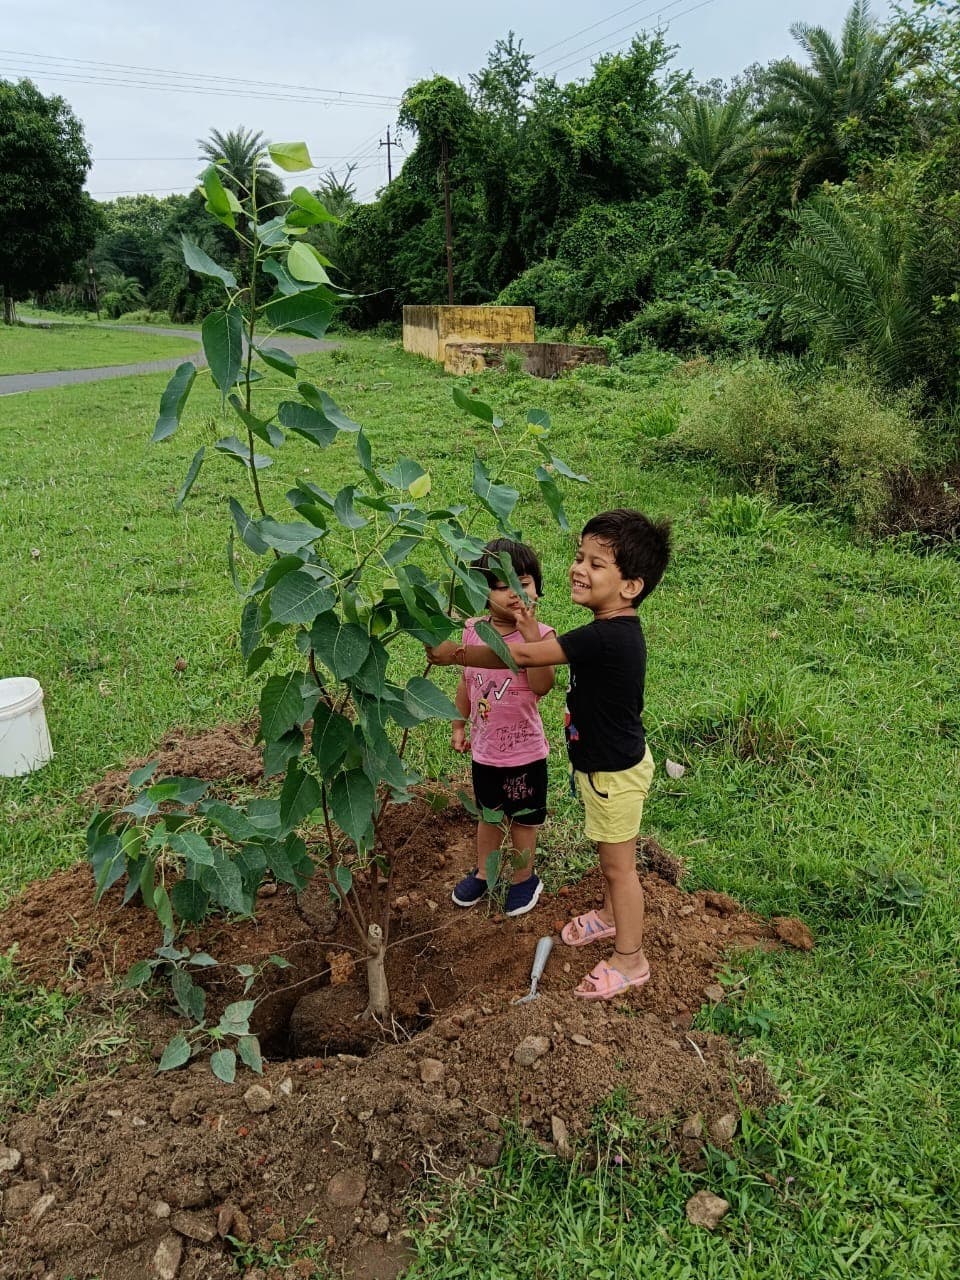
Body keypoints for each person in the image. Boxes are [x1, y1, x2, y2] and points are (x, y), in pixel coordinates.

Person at [429, 510, 671, 1000]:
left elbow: (521, 656)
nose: (579, 568)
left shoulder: (606, 636)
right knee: (611, 861)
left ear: (630, 586)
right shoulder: (609, 628)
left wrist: (456, 653)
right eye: (579, 556)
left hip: (613, 774)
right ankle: (607, 916)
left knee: (618, 867)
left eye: (597, 564)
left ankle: (631, 959)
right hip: (606, 767)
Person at [449, 538, 556, 917]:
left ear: (537, 589)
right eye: (500, 584)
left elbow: (543, 685)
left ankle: (524, 877)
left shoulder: (543, 636)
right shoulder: (472, 631)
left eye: (522, 581)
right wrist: (459, 723)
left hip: (526, 754)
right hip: (486, 752)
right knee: (488, 816)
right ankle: (484, 871)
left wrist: (529, 634)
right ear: (481, 592)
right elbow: (466, 680)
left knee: (524, 821)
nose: (513, 592)